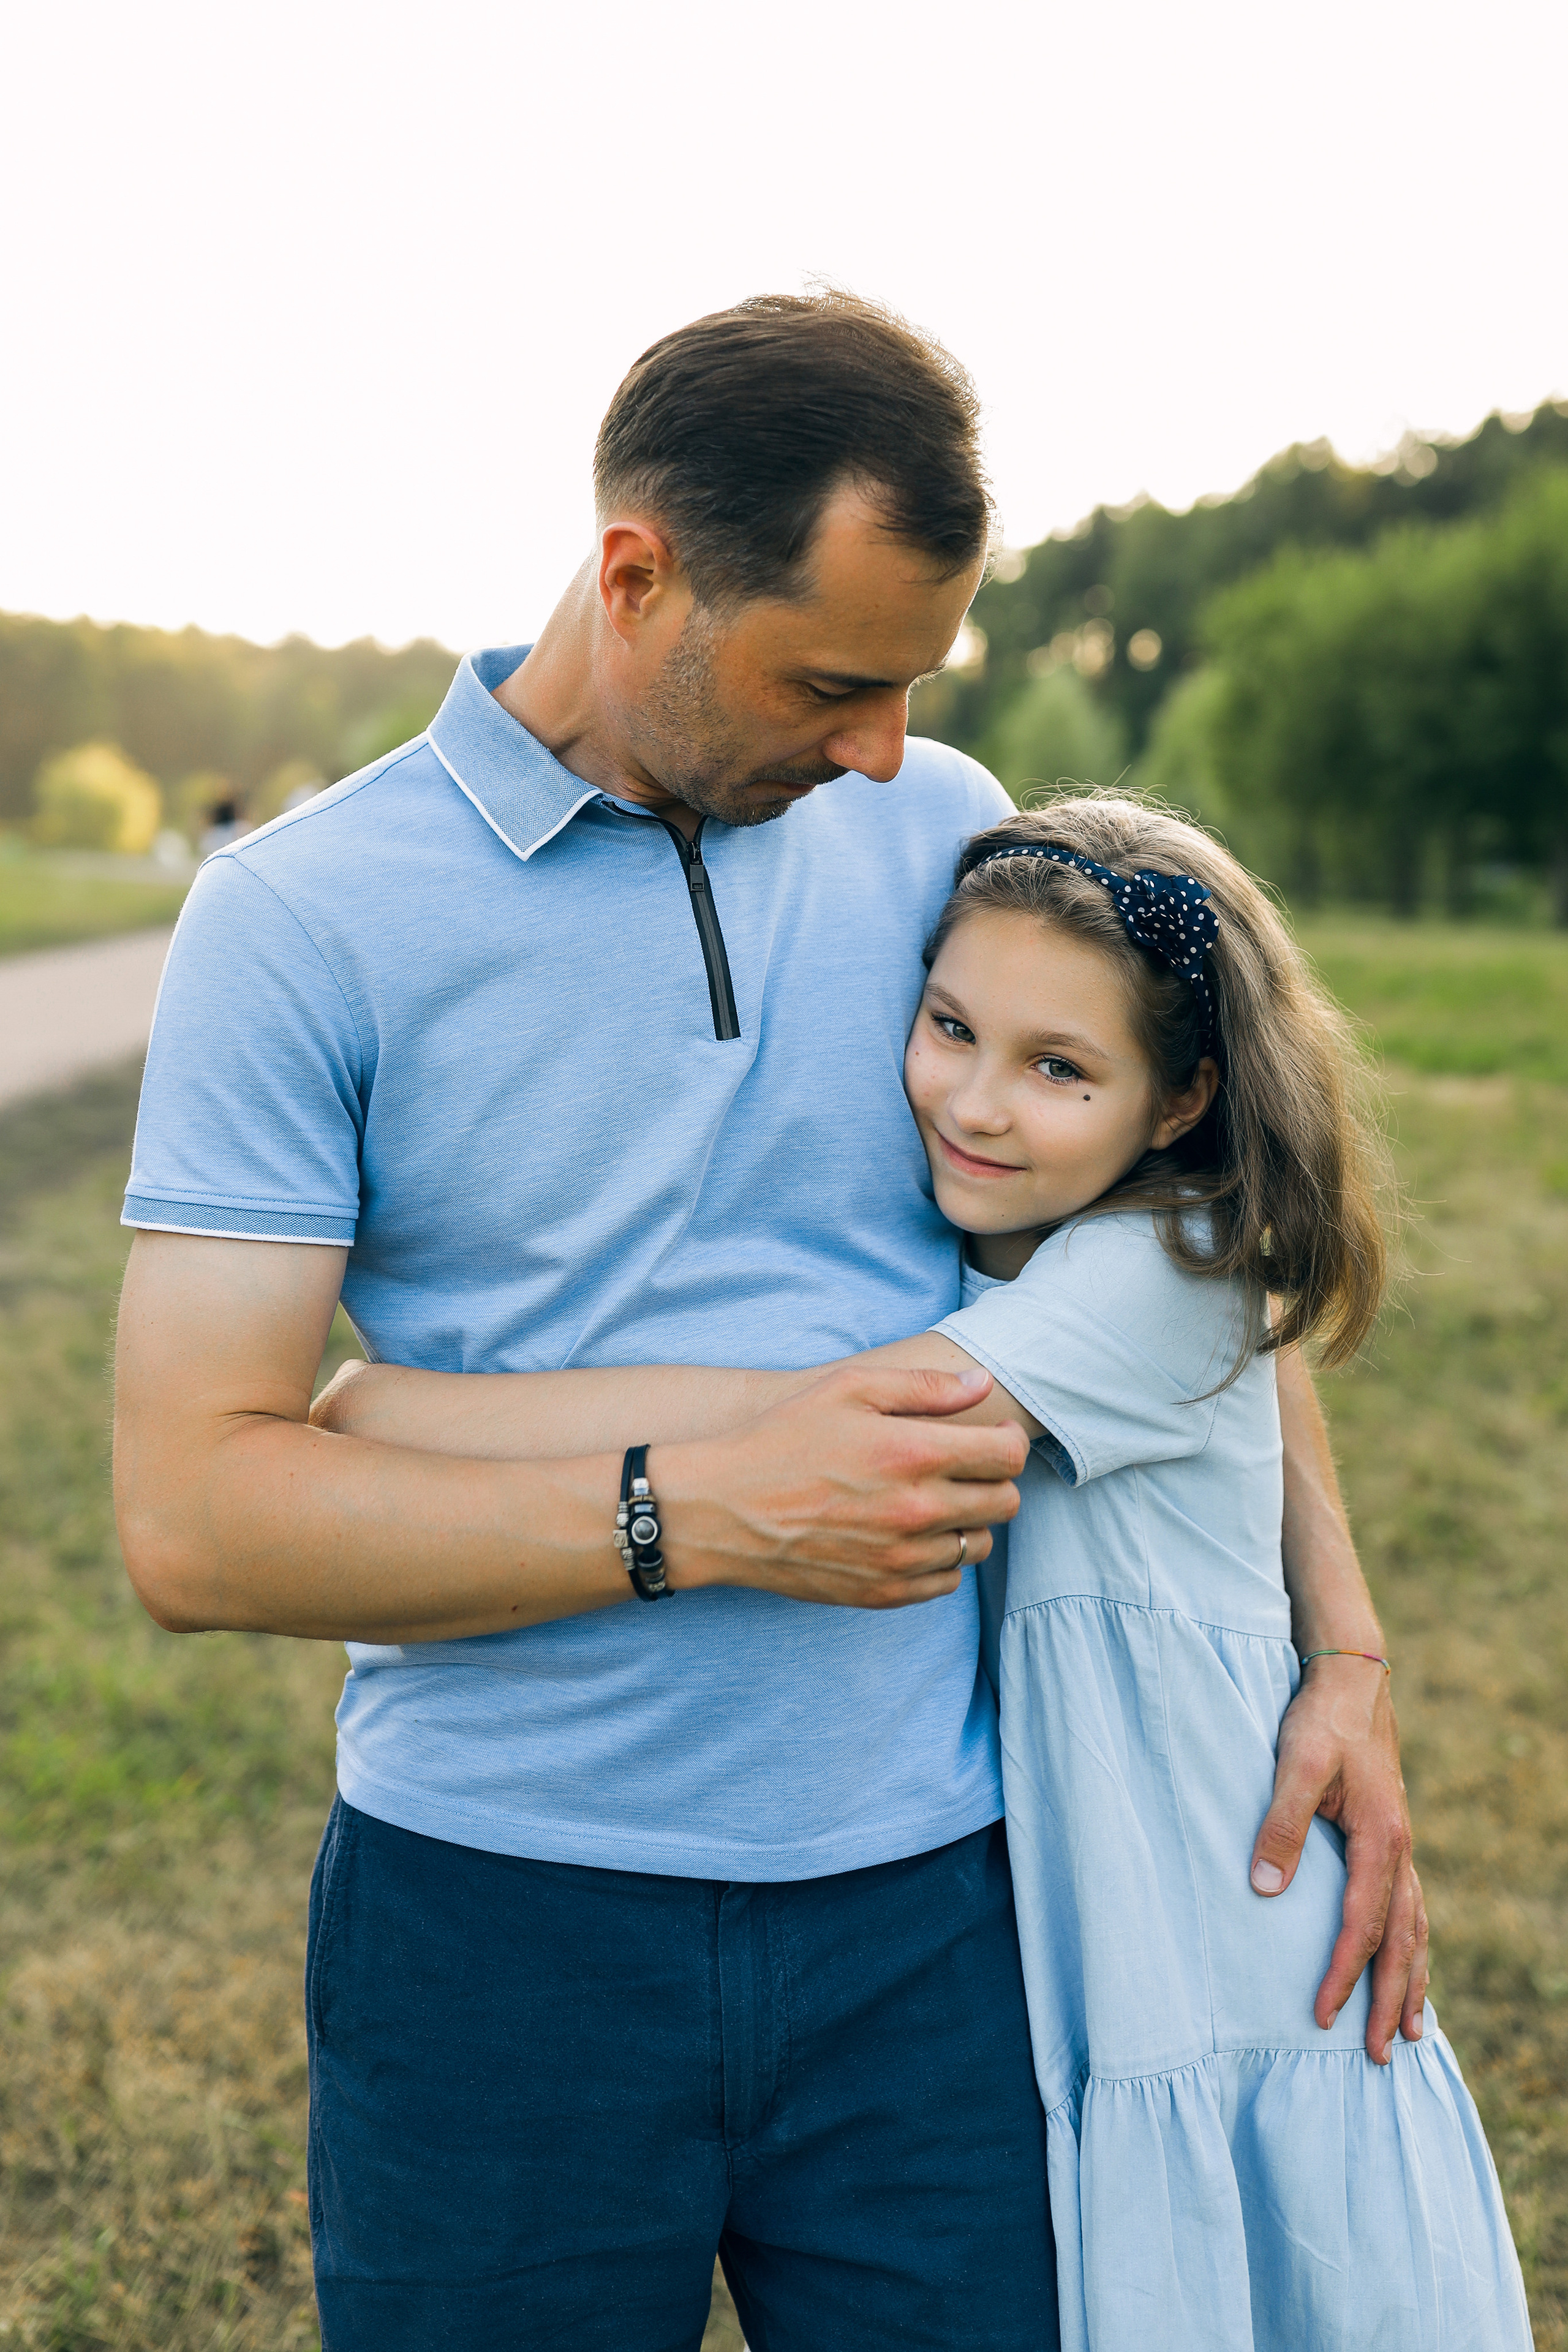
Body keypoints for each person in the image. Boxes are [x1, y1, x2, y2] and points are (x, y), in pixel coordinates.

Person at [115, 293, 1426, 2351]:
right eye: (834, 679)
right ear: (637, 577)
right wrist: (698, 1513)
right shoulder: (301, 922)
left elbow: (1175, 1234)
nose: (888, 749)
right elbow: (194, 1526)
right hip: (500, 1935)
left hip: (945, 1918)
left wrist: (1338, 1650)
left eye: (917, 683)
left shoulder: (938, 822)